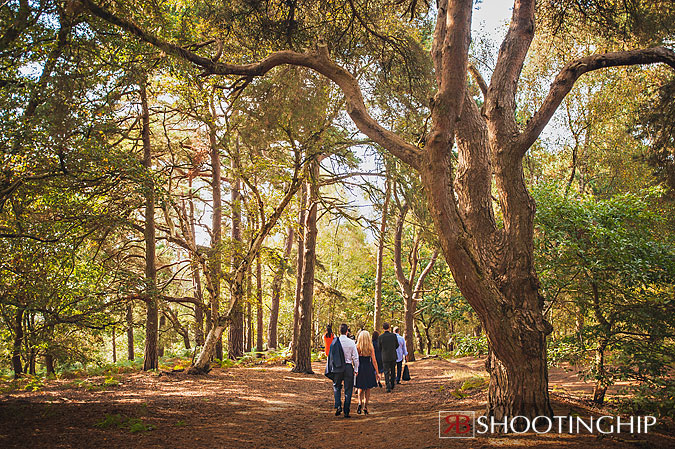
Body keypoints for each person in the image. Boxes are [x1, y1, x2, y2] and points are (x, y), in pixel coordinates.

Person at [331, 323, 359, 418]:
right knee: (348, 389)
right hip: (347, 367)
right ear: (347, 331)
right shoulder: (351, 342)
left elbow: (331, 356)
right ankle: (346, 411)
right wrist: (356, 369)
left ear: (340, 331)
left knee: (337, 386)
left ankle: (338, 405)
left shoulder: (335, 342)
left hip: (338, 367)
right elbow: (355, 357)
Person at [377, 322, 398, 392]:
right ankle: (392, 384)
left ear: (383, 328)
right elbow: (397, 345)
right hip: (393, 356)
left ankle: (387, 386)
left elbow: (379, 347)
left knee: (386, 372)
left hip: (385, 357)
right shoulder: (393, 336)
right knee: (393, 371)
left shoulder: (380, 337)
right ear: (389, 327)